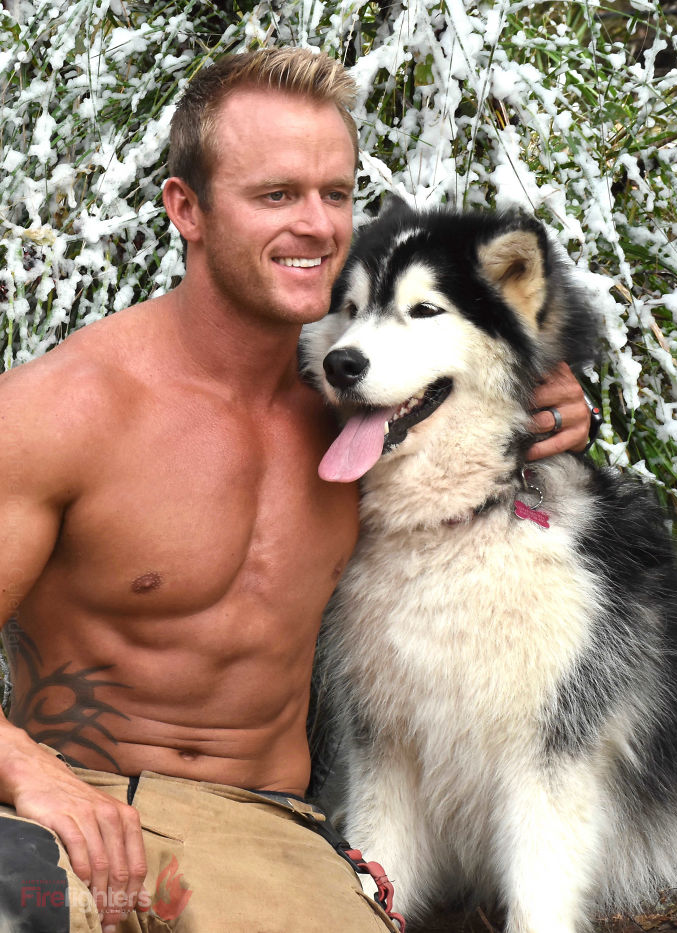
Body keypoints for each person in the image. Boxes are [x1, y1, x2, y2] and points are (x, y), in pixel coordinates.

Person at [0, 48, 592, 933]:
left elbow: (496, 390)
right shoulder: (65, 410)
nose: (318, 226)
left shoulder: (368, 419)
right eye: (276, 195)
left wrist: (558, 404)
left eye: (337, 193)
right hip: (63, 811)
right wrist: (29, 775)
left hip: (259, 832)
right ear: (185, 209)